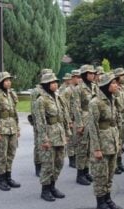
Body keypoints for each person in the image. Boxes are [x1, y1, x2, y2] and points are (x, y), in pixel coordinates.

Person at [88, 72, 122, 209]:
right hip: (101, 144)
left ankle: (107, 199)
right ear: (107, 85)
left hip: (112, 142)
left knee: (110, 173)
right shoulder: (95, 102)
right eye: (114, 83)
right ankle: (100, 203)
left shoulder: (112, 99)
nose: (117, 85)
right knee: (100, 175)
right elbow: (93, 126)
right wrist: (96, 148)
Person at [35, 73, 70, 201]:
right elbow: (40, 121)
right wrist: (44, 139)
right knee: (48, 164)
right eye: (53, 82)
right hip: (49, 135)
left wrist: (67, 134)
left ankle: (53, 186)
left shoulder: (57, 97)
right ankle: (45, 189)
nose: (56, 84)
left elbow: (64, 117)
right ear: (46, 85)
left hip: (59, 133)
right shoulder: (41, 100)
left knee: (59, 162)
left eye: (56, 82)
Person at [0, 72, 21, 191]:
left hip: (12, 127)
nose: (8, 82)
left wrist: (17, 129)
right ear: (0, 82)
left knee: (11, 153)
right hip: (1, 129)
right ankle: (1, 180)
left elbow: (15, 113)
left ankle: (8, 177)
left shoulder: (11, 93)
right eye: (6, 80)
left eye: (9, 80)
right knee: (2, 155)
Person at [74, 64, 98, 185]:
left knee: (89, 148)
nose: (93, 75)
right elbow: (77, 107)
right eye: (90, 73)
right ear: (84, 75)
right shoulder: (78, 88)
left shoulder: (94, 86)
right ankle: (80, 174)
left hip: (92, 120)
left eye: (93, 73)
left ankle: (86, 171)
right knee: (82, 148)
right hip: (83, 119)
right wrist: (79, 124)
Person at [30, 69, 53, 177]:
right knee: (39, 144)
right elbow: (34, 108)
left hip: (49, 123)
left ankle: (46, 164)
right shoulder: (36, 91)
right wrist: (36, 123)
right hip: (38, 121)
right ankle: (38, 165)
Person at [114, 67, 124, 174]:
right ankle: (114, 165)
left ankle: (119, 163)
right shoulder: (113, 87)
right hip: (116, 118)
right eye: (122, 75)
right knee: (115, 143)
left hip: (123, 118)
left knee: (121, 142)